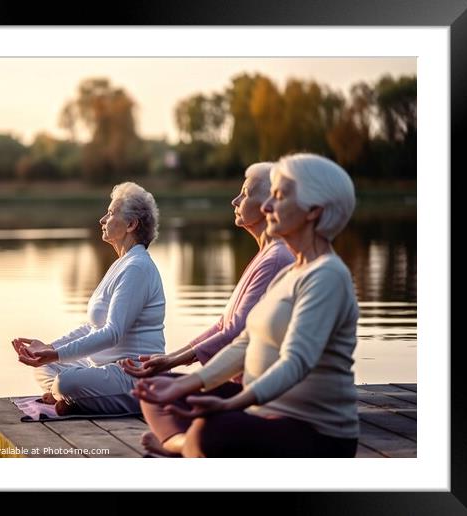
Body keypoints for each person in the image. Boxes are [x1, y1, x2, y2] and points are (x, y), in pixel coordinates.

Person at [133, 153, 360, 458]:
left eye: (278, 198)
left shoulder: (327, 276)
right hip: (261, 410)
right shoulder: (289, 272)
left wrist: (230, 405)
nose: (267, 207)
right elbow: (244, 343)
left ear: (313, 211)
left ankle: (179, 445)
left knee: (210, 430)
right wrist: (187, 384)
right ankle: (186, 446)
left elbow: (296, 362)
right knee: (162, 394)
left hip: (315, 433)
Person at [119, 162, 293, 379]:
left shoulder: (276, 258)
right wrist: (171, 358)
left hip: (254, 388)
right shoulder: (267, 254)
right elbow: (223, 324)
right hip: (237, 382)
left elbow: (235, 332)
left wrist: (171, 362)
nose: (235, 201)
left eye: (245, 194)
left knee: (155, 389)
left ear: (269, 204)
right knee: (154, 386)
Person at [12, 182, 165, 415]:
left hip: (133, 376)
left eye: (111, 214)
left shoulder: (138, 268)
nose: (102, 219)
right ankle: (66, 398)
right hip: (102, 369)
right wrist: (50, 349)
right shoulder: (122, 264)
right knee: (45, 367)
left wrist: (56, 353)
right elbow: (93, 327)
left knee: (65, 382)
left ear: (131, 225)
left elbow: (113, 332)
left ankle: (65, 397)